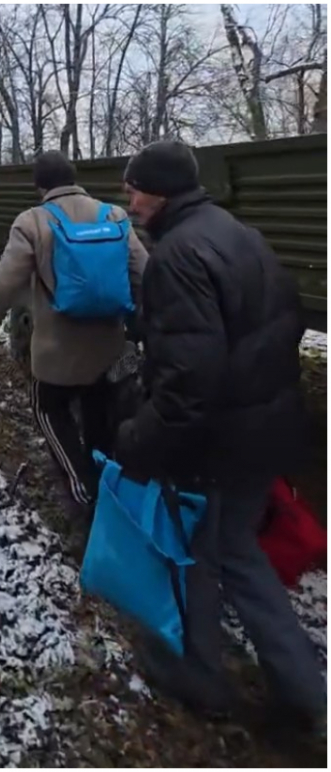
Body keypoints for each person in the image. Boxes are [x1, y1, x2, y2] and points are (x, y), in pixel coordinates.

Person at [115, 140, 325, 737]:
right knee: (235, 550)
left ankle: (206, 676)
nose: (128, 201)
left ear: (159, 191)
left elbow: (188, 381)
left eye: (134, 189)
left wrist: (138, 438)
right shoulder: (238, 233)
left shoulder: (179, 254)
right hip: (264, 432)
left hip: (219, 441)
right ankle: (301, 689)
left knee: (199, 558)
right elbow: (278, 328)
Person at [0, 150, 148, 512]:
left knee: (49, 410)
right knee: (99, 415)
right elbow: (144, 272)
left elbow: (4, 284)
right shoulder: (113, 214)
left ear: (40, 186)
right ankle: (107, 486)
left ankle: (81, 487)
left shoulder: (33, 221)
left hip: (56, 354)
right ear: (75, 177)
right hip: (109, 349)